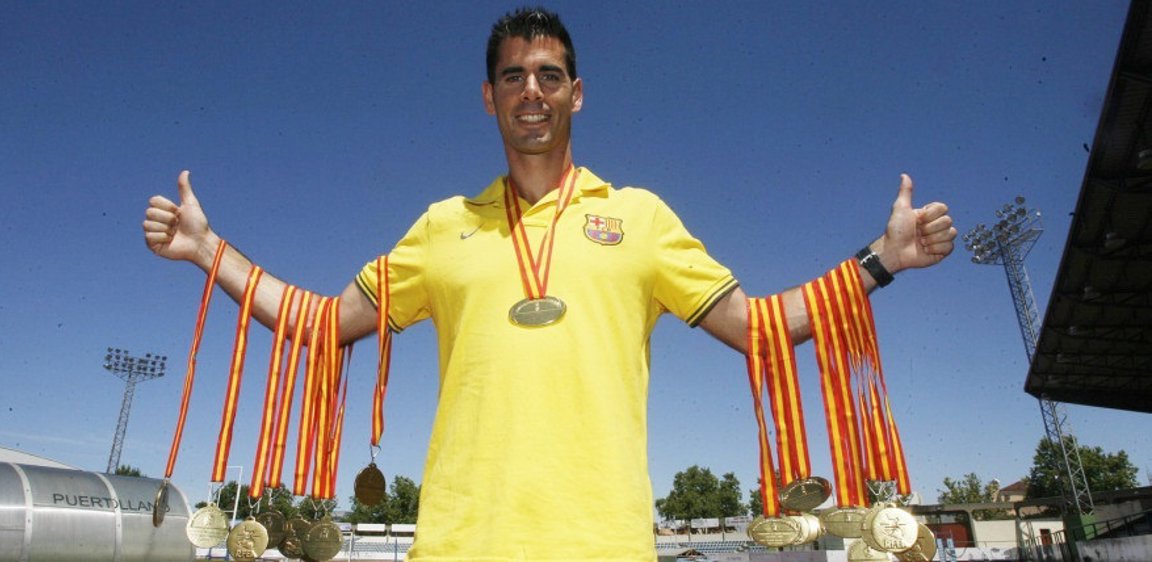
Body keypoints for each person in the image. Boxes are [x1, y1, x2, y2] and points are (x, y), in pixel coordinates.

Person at [143, 7, 956, 561]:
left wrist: (880, 260)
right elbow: (323, 324)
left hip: (605, 546)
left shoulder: (640, 217)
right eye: (513, 76)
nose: (531, 90)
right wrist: (209, 251)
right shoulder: (442, 226)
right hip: (458, 546)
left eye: (549, 74)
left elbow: (758, 326)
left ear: (576, 92)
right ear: (489, 97)